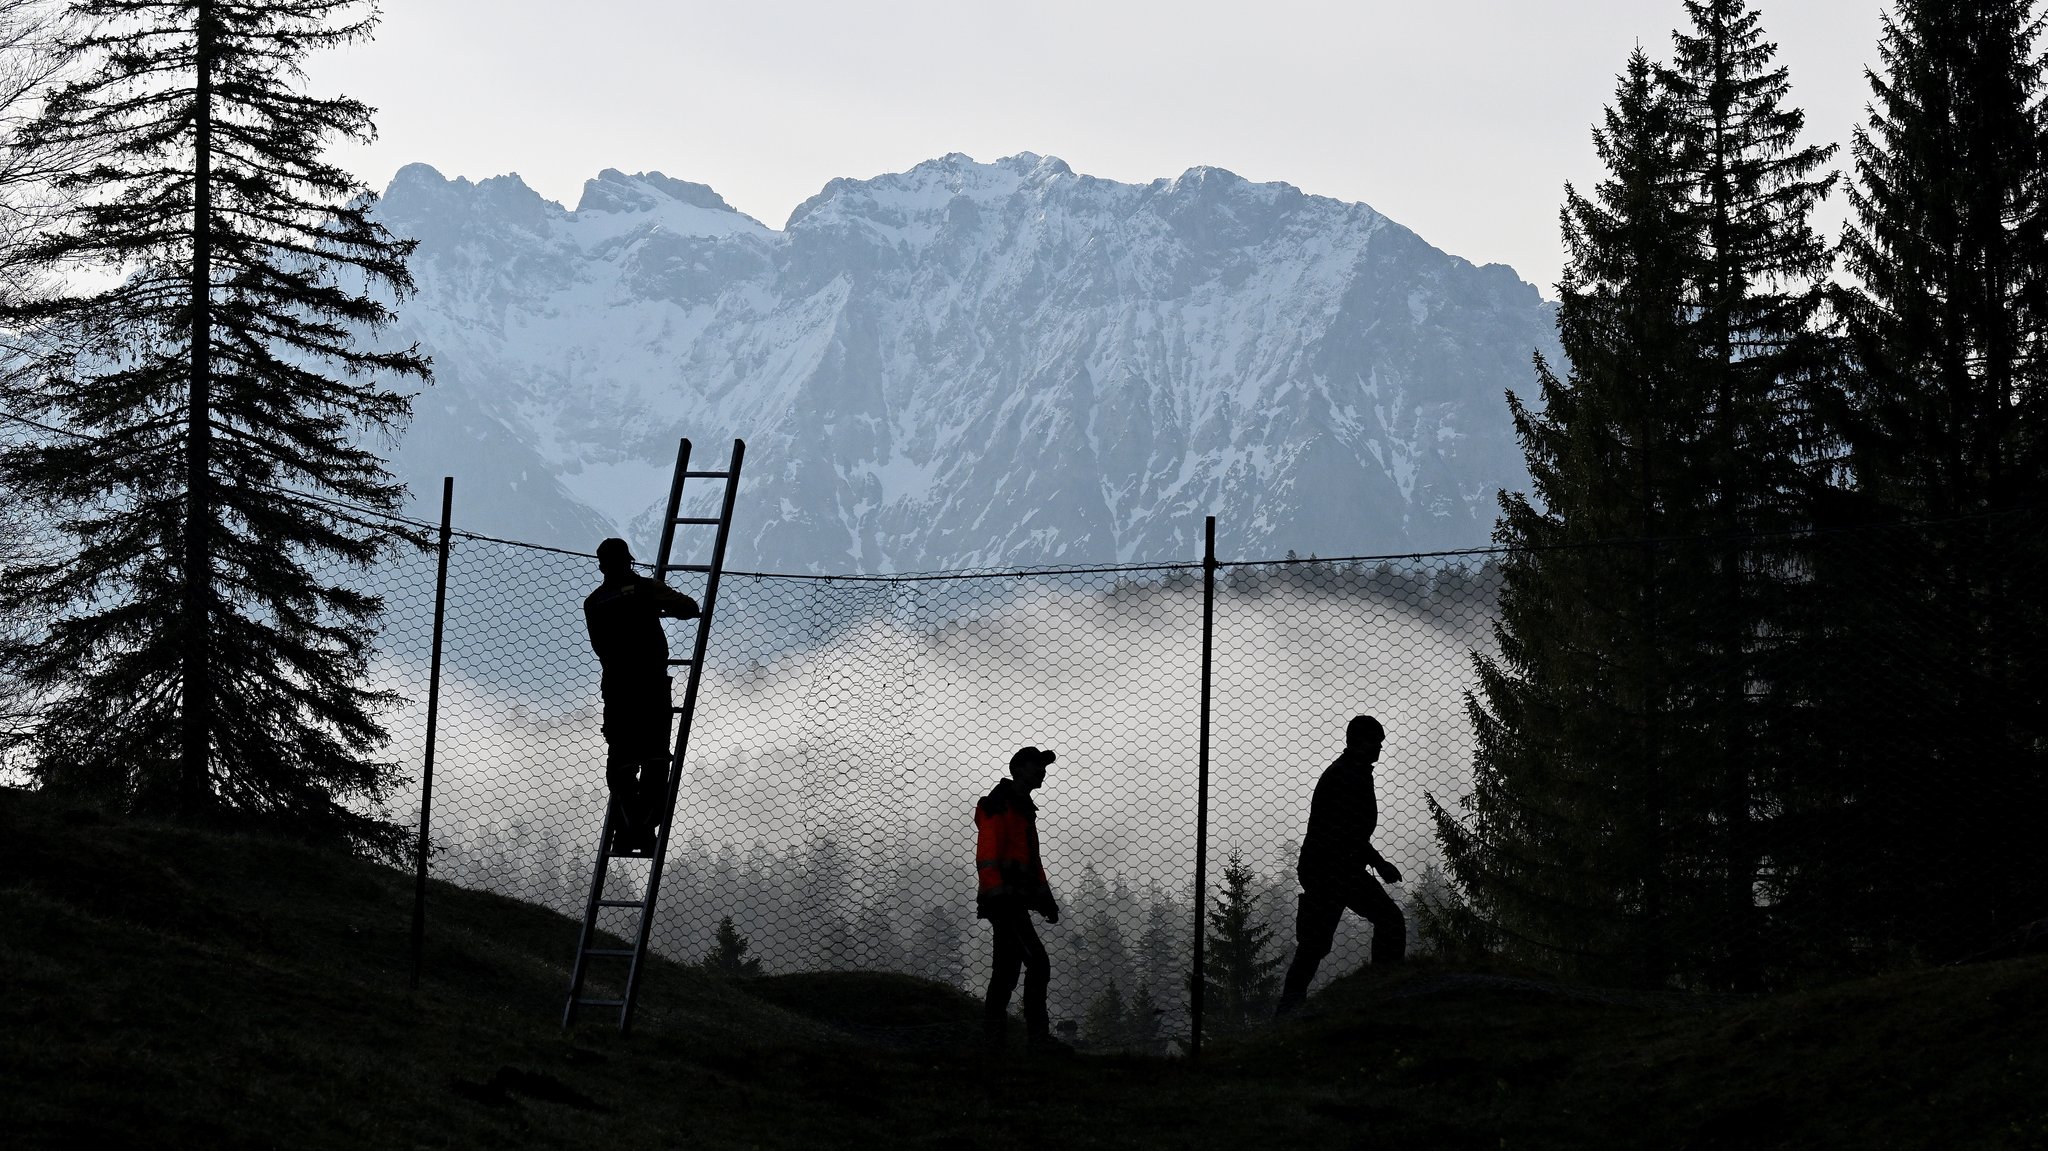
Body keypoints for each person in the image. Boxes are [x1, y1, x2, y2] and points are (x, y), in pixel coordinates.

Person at [1276, 714, 1406, 1016]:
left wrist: (1374, 861)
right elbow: (1346, 832)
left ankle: (1292, 1007)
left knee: (1316, 943)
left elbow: (1352, 834)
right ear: (1360, 742)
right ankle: (1382, 993)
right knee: (1322, 941)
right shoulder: (1345, 776)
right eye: (1376, 742)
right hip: (1329, 870)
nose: (1379, 749)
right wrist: (1379, 863)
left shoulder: (1353, 772)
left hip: (1337, 868)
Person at [583, 537, 699, 855]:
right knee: (656, 759)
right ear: (629, 560)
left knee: (621, 764)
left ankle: (628, 830)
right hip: (650, 687)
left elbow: (600, 647)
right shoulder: (647, 589)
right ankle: (645, 829)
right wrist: (660, 607)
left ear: (602, 565)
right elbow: (690, 608)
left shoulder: (593, 603)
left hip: (618, 690)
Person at [975, 745, 1068, 1056]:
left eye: (1042, 766)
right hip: (1006, 902)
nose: (1041, 771)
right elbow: (987, 856)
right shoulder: (1000, 805)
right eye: (1035, 765)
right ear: (1019, 769)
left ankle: (994, 1042)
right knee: (1037, 963)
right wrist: (998, 895)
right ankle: (1036, 1039)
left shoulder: (1022, 808)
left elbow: (1032, 862)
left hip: (1012, 900)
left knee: (1006, 971)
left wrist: (1046, 901)